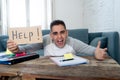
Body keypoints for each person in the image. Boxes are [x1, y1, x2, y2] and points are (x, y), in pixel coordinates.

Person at [7, 20, 107, 60]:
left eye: (62, 32)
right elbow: (27, 48)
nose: (59, 37)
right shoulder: (45, 39)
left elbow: (90, 49)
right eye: (55, 33)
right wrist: (16, 48)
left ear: (66, 32)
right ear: (51, 35)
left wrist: (96, 52)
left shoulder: (72, 42)